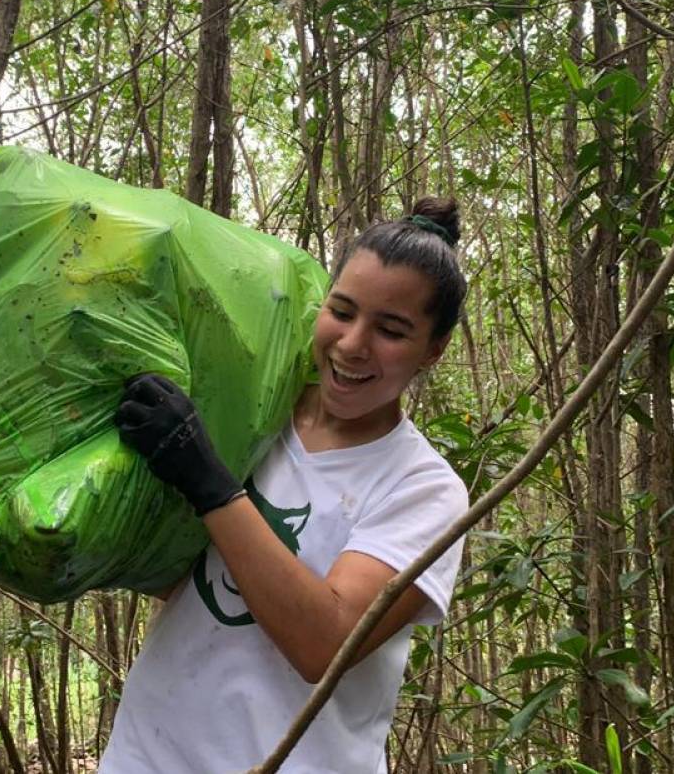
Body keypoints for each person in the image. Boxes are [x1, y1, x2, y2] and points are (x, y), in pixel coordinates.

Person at [99, 198, 471, 774]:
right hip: (146, 755)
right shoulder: (255, 409)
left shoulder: (424, 488)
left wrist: (206, 479)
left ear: (433, 350)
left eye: (391, 330)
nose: (352, 344)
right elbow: (180, 577)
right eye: (342, 311)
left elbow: (324, 642)